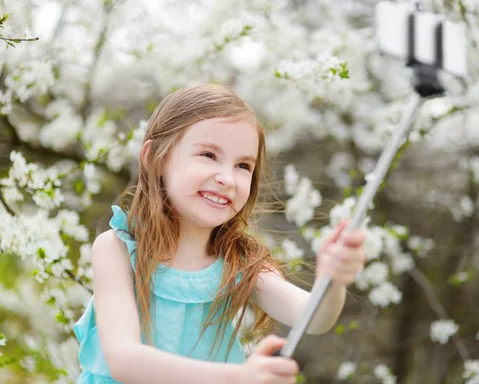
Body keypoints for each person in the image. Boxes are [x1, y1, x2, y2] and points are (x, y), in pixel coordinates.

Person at [73, 84, 367, 384]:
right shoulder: (117, 250)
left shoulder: (241, 263)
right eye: (208, 155)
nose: (227, 178)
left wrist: (333, 279)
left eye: (243, 165)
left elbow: (313, 318)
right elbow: (124, 360)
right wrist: (239, 377)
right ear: (156, 158)